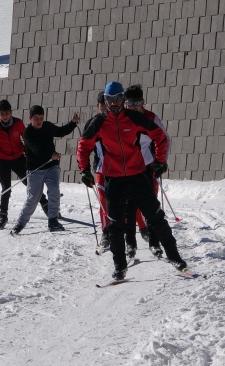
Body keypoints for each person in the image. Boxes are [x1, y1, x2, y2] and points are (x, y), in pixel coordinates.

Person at [77, 82, 187, 280]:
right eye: (109, 100)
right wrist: (84, 170)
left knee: (156, 217)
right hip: (114, 180)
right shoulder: (98, 122)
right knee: (116, 226)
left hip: (138, 176)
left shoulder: (135, 118)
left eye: (117, 99)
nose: (113, 103)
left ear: (123, 99)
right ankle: (120, 266)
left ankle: (175, 257)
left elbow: (160, 137)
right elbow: (83, 146)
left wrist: (160, 161)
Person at [84, 91, 137, 259]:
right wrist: (84, 169)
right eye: (100, 107)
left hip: (119, 171)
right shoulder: (93, 123)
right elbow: (84, 146)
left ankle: (127, 238)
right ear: (98, 106)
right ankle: (106, 234)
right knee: (103, 202)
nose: (103, 110)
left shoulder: (117, 122)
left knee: (124, 203)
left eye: (104, 107)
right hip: (100, 169)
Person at [0, 100, 50, 229]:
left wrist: (28, 149)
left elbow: (26, 137)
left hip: (19, 158)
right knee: (6, 188)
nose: (5, 116)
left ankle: (46, 205)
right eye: (3, 113)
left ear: (11, 113)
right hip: (3, 161)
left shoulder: (18, 123)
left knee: (30, 183)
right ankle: (3, 216)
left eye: (7, 113)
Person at [11, 105, 78, 234]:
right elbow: (37, 150)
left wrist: (73, 123)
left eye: (41, 118)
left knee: (54, 191)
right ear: (30, 118)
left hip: (51, 166)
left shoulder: (47, 126)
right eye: (36, 118)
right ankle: (20, 224)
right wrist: (51, 155)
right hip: (35, 169)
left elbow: (61, 131)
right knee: (33, 198)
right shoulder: (28, 133)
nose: (39, 121)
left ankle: (53, 220)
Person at [124, 84, 169, 258]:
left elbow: (164, 139)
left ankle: (154, 242)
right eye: (129, 103)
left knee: (150, 206)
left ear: (143, 102)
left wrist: (161, 162)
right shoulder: (121, 118)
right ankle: (130, 244)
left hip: (147, 166)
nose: (133, 106)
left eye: (136, 102)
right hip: (126, 168)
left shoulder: (150, 118)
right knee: (128, 207)